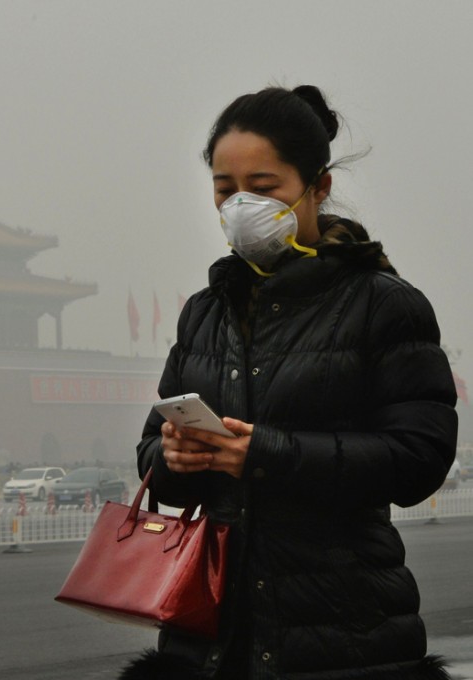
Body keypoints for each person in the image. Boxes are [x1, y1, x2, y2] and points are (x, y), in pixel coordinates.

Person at [125, 86, 457, 679]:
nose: (241, 205)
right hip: (209, 639)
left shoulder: (383, 305)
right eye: (225, 189)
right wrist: (173, 455)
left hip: (346, 636)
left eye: (264, 186)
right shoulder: (206, 311)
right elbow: (153, 451)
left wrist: (266, 454)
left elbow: (419, 460)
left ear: (318, 187)